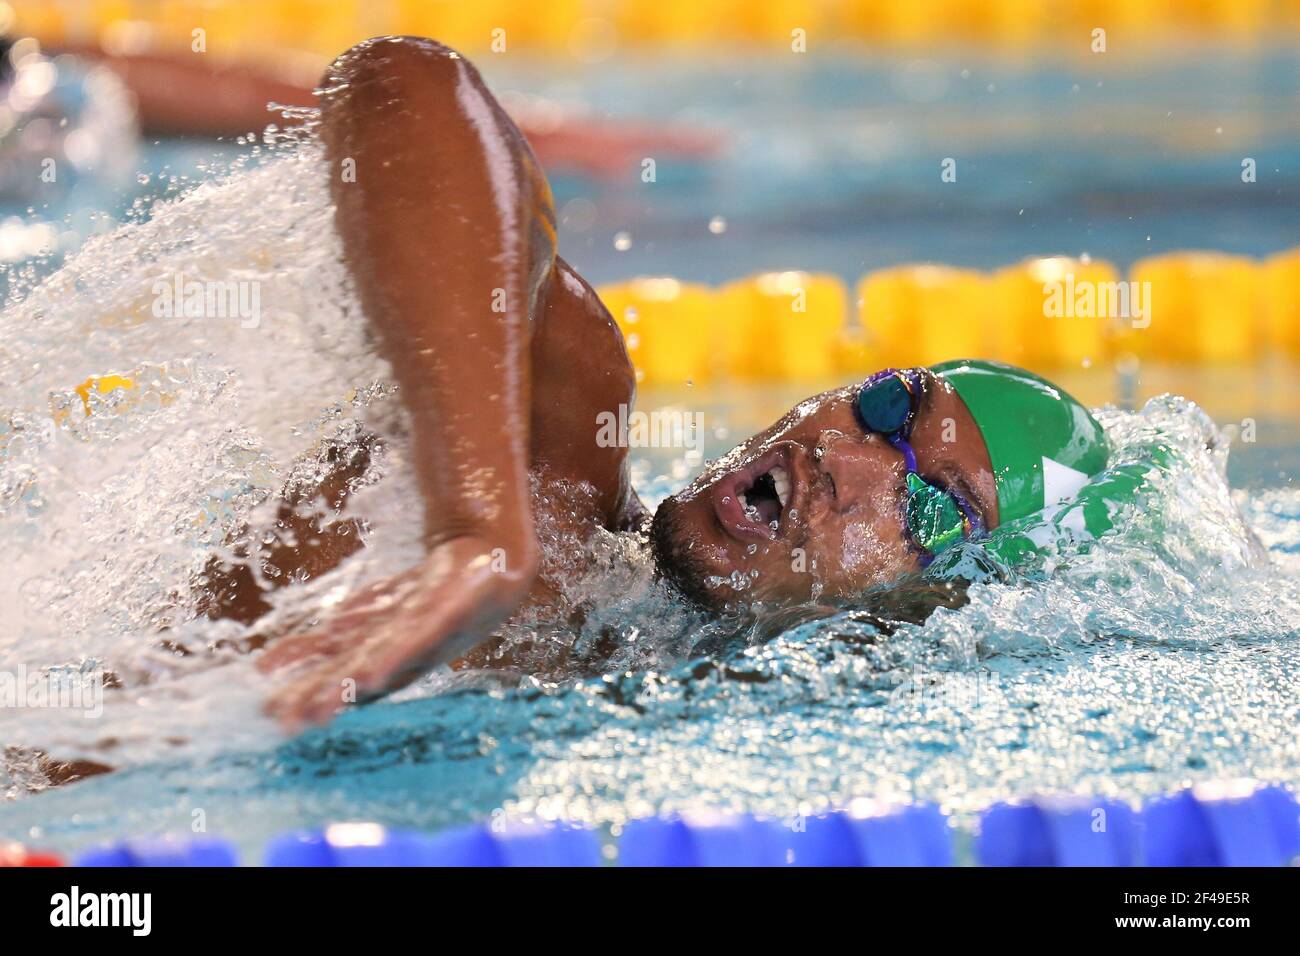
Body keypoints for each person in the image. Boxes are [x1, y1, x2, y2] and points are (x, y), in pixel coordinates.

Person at [238, 37, 1118, 733]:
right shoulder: (553, 452)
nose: (845, 462)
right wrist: (476, 532)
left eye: (931, 508)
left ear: (938, 609)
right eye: (891, 406)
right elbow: (402, 79)